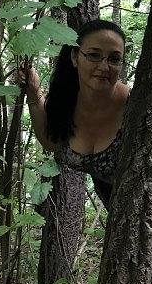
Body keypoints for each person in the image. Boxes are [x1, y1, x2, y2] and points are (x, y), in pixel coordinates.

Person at [21, 19, 130, 209]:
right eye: (94, 55)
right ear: (74, 57)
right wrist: (33, 91)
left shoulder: (135, 106)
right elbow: (51, 141)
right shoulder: (66, 103)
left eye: (114, 59)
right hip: (120, 216)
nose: (104, 67)